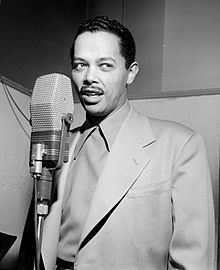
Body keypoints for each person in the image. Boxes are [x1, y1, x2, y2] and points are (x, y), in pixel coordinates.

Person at [20, 16, 215, 270]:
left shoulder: (180, 145)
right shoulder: (55, 143)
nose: (89, 77)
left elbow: (195, 262)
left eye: (105, 65)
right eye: (80, 65)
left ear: (130, 73)